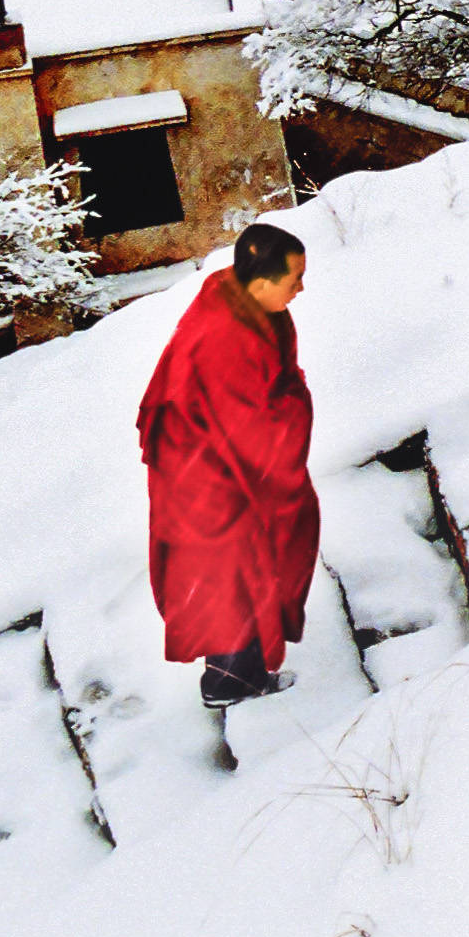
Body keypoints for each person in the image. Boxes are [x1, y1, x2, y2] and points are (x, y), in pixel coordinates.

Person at [137, 222, 320, 708]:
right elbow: (252, 427)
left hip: (214, 464)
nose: (301, 289)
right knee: (230, 575)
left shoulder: (248, 306)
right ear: (259, 280)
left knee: (242, 570)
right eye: (293, 279)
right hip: (207, 475)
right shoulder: (223, 335)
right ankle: (229, 684)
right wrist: (295, 406)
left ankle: (241, 675)